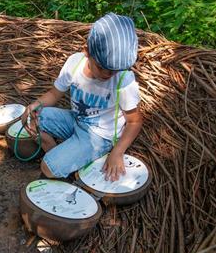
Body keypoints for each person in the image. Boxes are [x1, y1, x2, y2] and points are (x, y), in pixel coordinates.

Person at [22, 13, 143, 182]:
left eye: (114, 70)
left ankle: (61, 160)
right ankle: (56, 150)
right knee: (33, 117)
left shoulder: (123, 80)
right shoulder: (75, 63)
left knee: (48, 167)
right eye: (102, 67)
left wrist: (117, 152)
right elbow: (54, 94)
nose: (108, 74)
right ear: (86, 51)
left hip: (100, 137)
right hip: (76, 120)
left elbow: (134, 121)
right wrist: (35, 105)